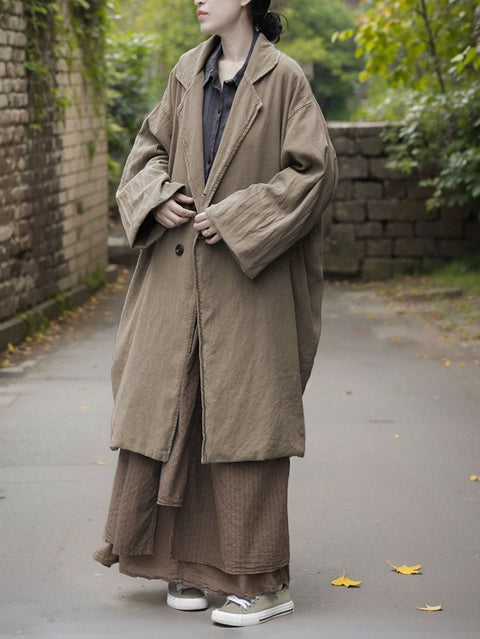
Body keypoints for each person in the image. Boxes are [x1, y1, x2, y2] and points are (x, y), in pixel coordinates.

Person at [93, 0, 338, 627]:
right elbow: (146, 152)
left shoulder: (283, 77)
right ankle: (188, 566)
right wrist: (160, 195)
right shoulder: (185, 72)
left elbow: (312, 173)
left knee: (245, 417)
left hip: (247, 284)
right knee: (175, 408)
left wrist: (232, 218)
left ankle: (261, 582)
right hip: (175, 280)